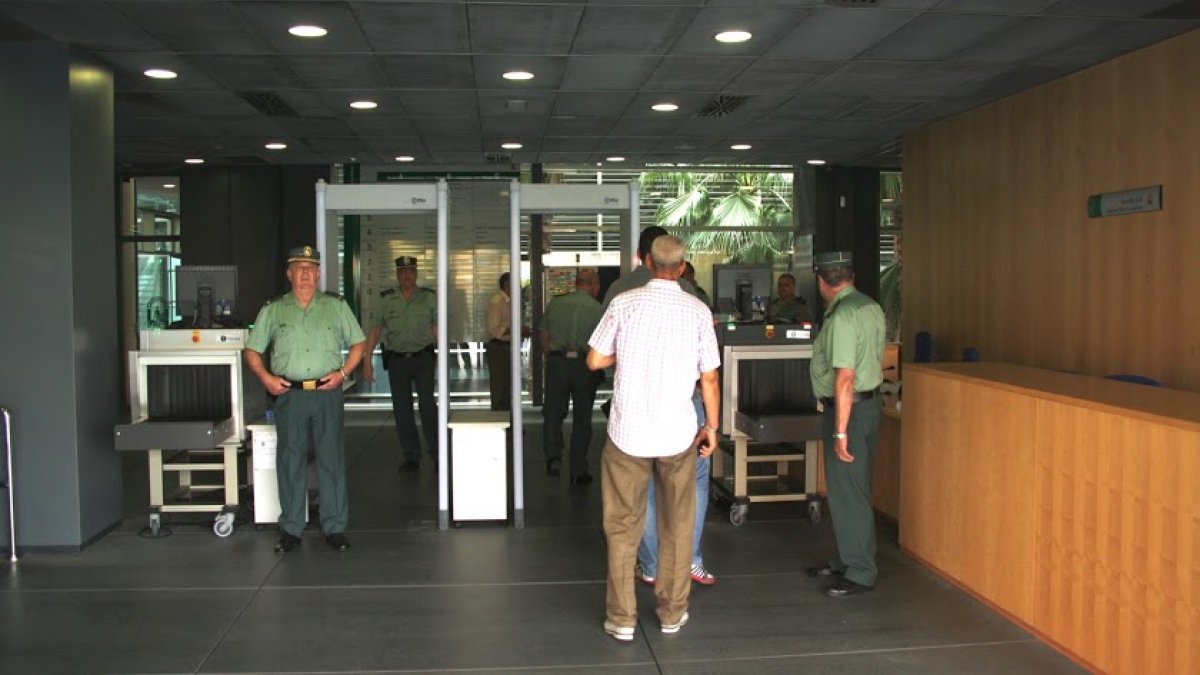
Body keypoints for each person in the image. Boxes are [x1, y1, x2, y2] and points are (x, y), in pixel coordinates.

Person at [587, 234, 721, 641]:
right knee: (677, 524)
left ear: (645, 262)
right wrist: (711, 427)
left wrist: (624, 352)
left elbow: (594, 359)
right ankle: (671, 613)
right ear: (682, 268)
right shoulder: (698, 310)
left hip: (627, 433)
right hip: (677, 434)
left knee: (622, 526)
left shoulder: (623, 304)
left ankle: (622, 619)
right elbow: (709, 377)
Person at [244, 246, 366, 553]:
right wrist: (267, 380)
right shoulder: (275, 309)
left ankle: (335, 527)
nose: (305, 275)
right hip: (290, 396)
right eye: (299, 268)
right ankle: (291, 529)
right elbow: (252, 350)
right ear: (289, 273)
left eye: (310, 269)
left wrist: (343, 373)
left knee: (332, 460)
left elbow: (359, 343)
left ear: (319, 273)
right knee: (290, 461)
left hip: (327, 392)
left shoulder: (335, 306)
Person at [805, 251, 885, 597]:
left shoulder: (842, 317)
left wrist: (839, 429)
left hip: (848, 411)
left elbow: (845, 376)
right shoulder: (870, 307)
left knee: (847, 492)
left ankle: (860, 570)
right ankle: (845, 557)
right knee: (853, 488)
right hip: (868, 407)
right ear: (851, 275)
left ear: (822, 281)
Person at [361, 256, 438, 473]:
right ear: (397, 275)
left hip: (423, 359)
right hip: (397, 362)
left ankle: (437, 454)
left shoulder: (428, 298)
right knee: (402, 410)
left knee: (428, 407)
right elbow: (375, 330)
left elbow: (436, 328)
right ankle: (411, 456)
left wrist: (443, 355)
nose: (407, 276)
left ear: (416, 274)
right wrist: (367, 361)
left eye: (411, 272)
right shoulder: (386, 299)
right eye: (403, 272)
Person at [539, 268, 603, 484]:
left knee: (553, 412)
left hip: (558, 363)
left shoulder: (556, 304)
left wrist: (552, 356)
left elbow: (544, 334)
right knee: (583, 418)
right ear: (594, 285)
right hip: (585, 366)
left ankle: (553, 458)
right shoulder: (598, 309)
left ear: (576, 283)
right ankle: (578, 469)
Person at [485, 272, 514, 411]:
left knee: (508, 388)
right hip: (499, 348)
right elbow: (494, 330)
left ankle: (509, 424)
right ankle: (499, 422)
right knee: (499, 389)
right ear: (506, 285)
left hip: (507, 348)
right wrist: (515, 330)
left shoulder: (509, 302)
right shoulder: (497, 302)